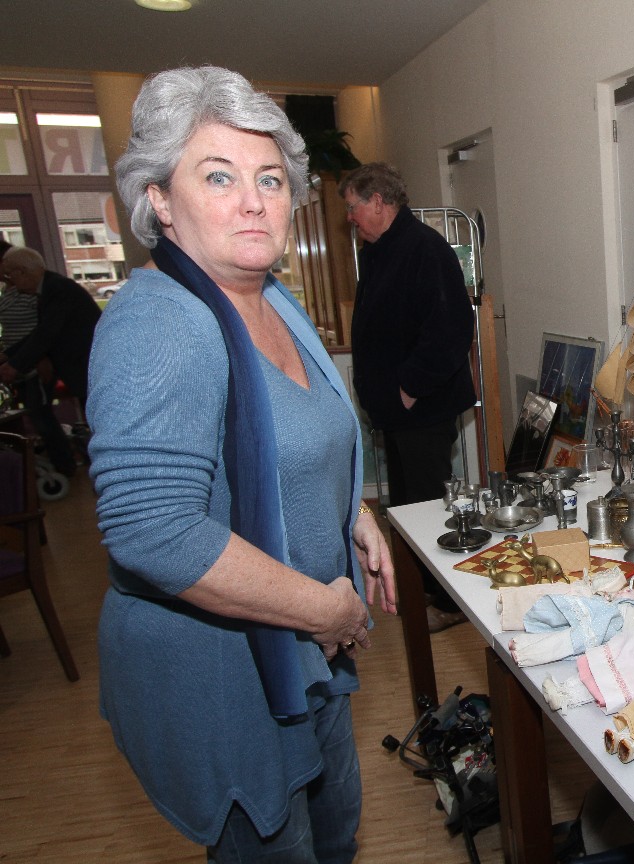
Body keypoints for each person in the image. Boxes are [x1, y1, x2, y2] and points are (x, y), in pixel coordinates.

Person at [89, 66, 396, 863]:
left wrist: (352, 513)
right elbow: (155, 532)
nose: (253, 201)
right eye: (218, 176)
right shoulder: (160, 324)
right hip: (225, 674)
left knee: (335, 838)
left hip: (301, 653)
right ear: (160, 200)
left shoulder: (271, 296)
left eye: (270, 179)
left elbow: (301, 436)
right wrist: (323, 610)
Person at [340, 162, 476, 633]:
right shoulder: (381, 250)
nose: (350, 218)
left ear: (378, 201)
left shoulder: (424, 248)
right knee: (405, 509)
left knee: (427, 506)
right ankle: (419, 590)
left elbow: (451, 329)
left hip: (421, 408)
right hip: (397, 413)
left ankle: (450, 601)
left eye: (353, 207)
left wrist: (410, 388)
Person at [0, 245, 101, 476]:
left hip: (88, 367)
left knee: (98, 424)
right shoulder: (50, 289)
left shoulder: (57, 289)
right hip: (83, 368)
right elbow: (41, 333)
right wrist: (8, 355)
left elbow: (46, 334)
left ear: (23, 271)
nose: (10, 280)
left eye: (11, 274)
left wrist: (14, 365)